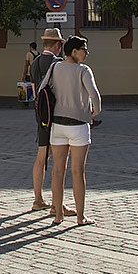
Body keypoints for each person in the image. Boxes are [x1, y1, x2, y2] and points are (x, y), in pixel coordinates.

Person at [46, 35, 102, 226]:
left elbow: (42, 92)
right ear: (75, 51)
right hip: (79, 125)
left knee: (57, 171)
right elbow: (94, 94)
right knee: (78, 171)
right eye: (84, 49)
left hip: (58, 125)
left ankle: (58, 215)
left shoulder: (55, 67)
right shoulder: (83, 70)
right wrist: (95, 110)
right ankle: (80, 217)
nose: (87, 52)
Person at [29, 28, 69, 214]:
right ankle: (56, 204)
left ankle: (38, 199)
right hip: (57, 116)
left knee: (41, 157)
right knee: (58, 160)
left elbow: (35, 87)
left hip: (41, 114)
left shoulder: (34, 62)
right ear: (57, 45)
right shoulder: (58, 64)